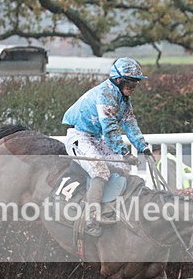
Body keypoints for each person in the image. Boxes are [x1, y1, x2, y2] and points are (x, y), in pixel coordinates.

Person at [62, 57, 152, 236]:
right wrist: (124, 151)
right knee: (100, 171)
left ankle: (113, 207)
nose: (133, 85)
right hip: (79, 137)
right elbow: (110, 129)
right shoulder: (105, 93)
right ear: (117, 79)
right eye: (130, 81)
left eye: (136, 82)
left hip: (94, 138)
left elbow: (130, 125)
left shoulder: (123, 100)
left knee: (122, 166)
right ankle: (91, 217)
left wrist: (143, 148)